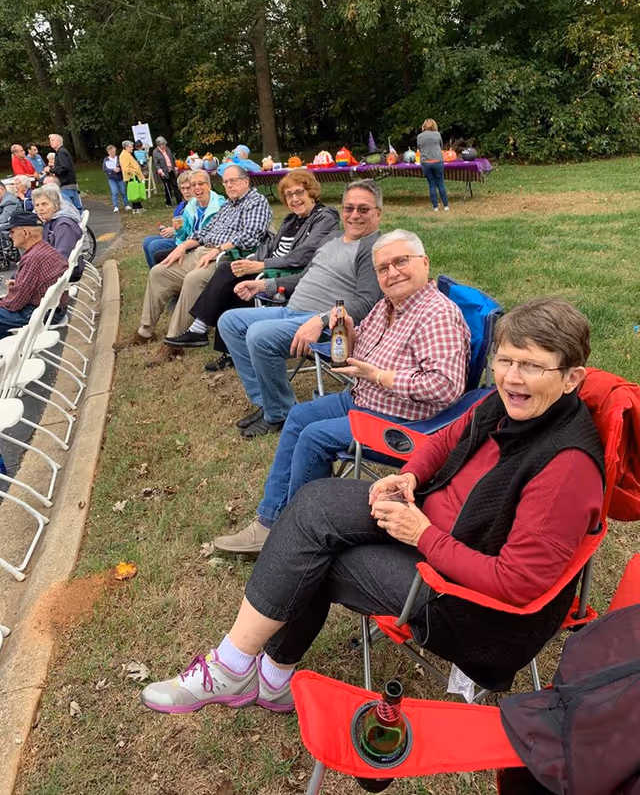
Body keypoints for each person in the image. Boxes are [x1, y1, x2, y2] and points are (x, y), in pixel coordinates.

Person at [141, 297, 605, 715]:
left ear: (571, 379)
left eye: (531, 366)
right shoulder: (502, 404)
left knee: (323, 554)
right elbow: (445, 438)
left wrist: (421, 534)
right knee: (314, 504)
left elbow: (516, 585)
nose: (512, 376)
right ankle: (250, 670)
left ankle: (248, 671)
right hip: (436, 530)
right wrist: (409, 475)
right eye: (505, 360)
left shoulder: (566, 468)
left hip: (473, 608)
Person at [214, 229, 471, 554]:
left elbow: (445, 387)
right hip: (363, 400)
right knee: (299, 416)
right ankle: (269, 521)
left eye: (401, 262)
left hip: (401, 419)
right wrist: (347, 330)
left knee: (314, 437)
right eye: (383, 268)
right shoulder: (388, 306)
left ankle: (297, 534)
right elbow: (360, 341)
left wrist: (378, 376)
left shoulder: (436, 314)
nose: (392, 273)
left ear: (424, 262)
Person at [216, 179, 384, 437]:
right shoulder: (334, 238)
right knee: (229, 322)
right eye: (349, 208)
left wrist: (320, 320)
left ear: (378, 214)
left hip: (329, 327)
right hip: (291, 310)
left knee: (259, 336)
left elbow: (365, 302)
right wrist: (265, 286)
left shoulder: (373, 248)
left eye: (363, 209)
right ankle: (268, 402)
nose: (354, 215)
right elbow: (306, 276)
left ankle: (280, 414)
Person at [164, 169, 340, 364]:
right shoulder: (291, 219)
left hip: (290, 272)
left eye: (299, 193)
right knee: (233, 270)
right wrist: (251, 261)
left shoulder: (324, 217)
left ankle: (202, 330)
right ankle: (224, 346)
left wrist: (259, 265)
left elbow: (303, 256)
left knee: (230, 273)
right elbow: (270, 247)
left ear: (311, 192)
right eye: (289, 195)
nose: (294, 199)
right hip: (269, 265)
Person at [114, 166, 272, 367]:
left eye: (234, 181)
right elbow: (204, 231)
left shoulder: (255, 202)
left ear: (246, 181)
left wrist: (217, 250)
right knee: (159, 272)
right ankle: (145, 332)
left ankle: (174, 342)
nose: (229, 185)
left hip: (227, 258)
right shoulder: (228, 206)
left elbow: (251, 236)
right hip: (202, 252)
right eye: (226, 182)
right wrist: (183, 247)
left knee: (193, 279)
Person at [0, 210, 68, 338]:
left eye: (12, 231)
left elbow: (16, 303)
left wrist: (4, 300)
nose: (10, 235)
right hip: (53, 309)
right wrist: (18, 285)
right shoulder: (45, 249)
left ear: (25, 233)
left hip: (40, 313)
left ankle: (9, 354)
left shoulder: (33, 258)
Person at [141, 171, 193, 268]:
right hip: (178, 235)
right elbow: (178, 224)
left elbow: (193, 228)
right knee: (147, 241)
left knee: (154, 246)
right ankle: (153, 272)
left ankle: (161, 275)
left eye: (188, 188)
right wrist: (169, 229)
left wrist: (174, 231)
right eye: (182, 189)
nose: (185, 192)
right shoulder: (182, 205)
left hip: (186, 239)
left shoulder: (195, 205)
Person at [32, 185, 85, 280]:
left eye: (44, 204)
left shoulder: (64, 225)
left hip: (65, 273)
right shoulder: (50, 221)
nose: (40, 209)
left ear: (55, 205)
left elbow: (62, 257)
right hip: (58, 269)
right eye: (37, 205)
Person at [417, 119, 449, 213]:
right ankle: (446, 205)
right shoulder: (437, 134)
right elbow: (441, 146)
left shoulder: (419, 136)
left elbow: (419, 148)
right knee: (440, 183)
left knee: (431, 184)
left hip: (426, 162)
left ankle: (435, 207)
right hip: (438, 161)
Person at [44, 134, 82, 213]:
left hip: (67, 185)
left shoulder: (61, 152)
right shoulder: (63, 152)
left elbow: (64, 168)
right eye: (50, 141)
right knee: (77, 208)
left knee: (69, 208)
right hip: (71, 184)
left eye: (53, 140)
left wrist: (51, 170)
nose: (51, 142)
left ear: (59, 141)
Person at [152, 136, 182, 208]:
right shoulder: (155, 152)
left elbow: (172, 158)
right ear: (158, 145)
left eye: (164, 144)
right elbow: (156, 163)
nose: (164, 146)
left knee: (175, 185)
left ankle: (180, 202)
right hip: (163, 171)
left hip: (171, 170)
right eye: (162, 145)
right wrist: (160, 171)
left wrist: (175, 167)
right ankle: (168, 203)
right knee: (167, 187)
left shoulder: (167, 149)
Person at [102, 145, 131, 212]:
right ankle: (116, 206)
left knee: (123, 191)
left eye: (114, 152)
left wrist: (120, 169)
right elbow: (104, 169)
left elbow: (123, 165)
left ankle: (126, 205)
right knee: (114, 192)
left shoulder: (119, 158)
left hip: (120, 177)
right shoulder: (106, 159)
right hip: (111, 178)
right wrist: (112, 170)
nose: (113, 153)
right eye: (111, 152)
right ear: (108, 152)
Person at [119, 141, 144, 212]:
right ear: (126, 147)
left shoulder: (127, 154)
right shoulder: (124, 155)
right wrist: (133, 173)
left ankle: (139, 207)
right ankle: (136, 208)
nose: (132, 148)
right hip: (132, 176)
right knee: (134, 192)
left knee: (137, 191)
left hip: (134, 176)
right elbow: (125, 167)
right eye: (131, 147)